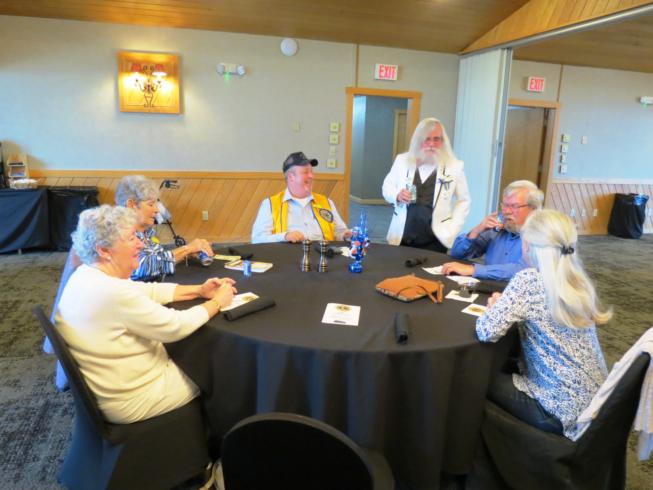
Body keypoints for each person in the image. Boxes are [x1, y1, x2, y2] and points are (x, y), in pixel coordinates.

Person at [54, 205, 236, 423]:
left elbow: (148, 290)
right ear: (104, 250)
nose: (141, 244)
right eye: (132, 238)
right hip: (135, 398)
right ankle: (222, 435)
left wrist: (199, 290)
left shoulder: (86, 274)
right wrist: (217, 302)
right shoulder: (112, 292)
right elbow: (175, 326)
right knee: (224, 363)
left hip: (115, 384)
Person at [476, 209, 612, 438]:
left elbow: (485, 331)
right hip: (595, 404)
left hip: (556, 410)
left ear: (528, 246)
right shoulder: (578, 281)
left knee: (474, 376)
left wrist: (494, 307)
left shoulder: (529, 281)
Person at [382, 117, 470, 252]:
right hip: (402, 236)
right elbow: (387, 187)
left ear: (442, 141)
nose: (431, 144)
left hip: (436, 239)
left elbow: (464, 201)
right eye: (427, 139)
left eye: (436, 139)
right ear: (418, 140)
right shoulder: (402, 161)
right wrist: (397, 195)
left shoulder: (454, 167)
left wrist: (453, 228)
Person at [115, 175, 214, 281]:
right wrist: (187, 249)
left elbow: (159, 259)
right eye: (150, 204)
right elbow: (143, 267)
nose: (157, 210)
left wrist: (188, 254)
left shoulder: (147, 232)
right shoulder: (118, 234)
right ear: (131, 205)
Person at [442, 180, 543, 281]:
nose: (507, 211)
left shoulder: (542, 234)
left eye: (514, 206)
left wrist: (474, 270)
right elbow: (456, 254)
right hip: (487, 287)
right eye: (505, 205)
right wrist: (476, 230)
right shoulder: (499, 225)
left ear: (533, 209)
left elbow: (523, 270)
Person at [251, 151, 351, 243]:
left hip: (323, 254)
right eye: (306, 172)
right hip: (288, 255)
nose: (311, 176)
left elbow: (339, 232)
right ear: (291, 177)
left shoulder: (326, 202)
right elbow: (257, 239)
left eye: (311, 172)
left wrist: (346, 235)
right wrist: (284, 236)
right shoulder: (270, 205)